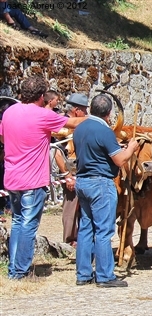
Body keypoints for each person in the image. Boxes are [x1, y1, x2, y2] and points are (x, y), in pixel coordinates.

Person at [0, 76, 85, 280]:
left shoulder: (9, 112)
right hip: (32, 180)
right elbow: (73, 122)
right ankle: (20, 271)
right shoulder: (42, 115)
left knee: (18, 222)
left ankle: (14, 268)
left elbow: (3, 137)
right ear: (41, 96)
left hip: (12, 178)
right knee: (28, 225)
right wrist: (97, 117)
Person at [72, 94, 139, 287]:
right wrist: (131, 148)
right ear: (109, 113)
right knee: (103, 229)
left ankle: (83, 273)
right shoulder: (105, 131)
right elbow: (120, 160)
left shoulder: (79, 128)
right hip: (100, 182)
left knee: (86, 228)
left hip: (83, 180)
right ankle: (104, 275)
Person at [59, 93, 89, 246]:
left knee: (83, 207)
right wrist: (67, 174)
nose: (86, 114)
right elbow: (56, 151)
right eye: (85, 110)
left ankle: (82, 237)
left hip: (82, 171)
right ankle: (70, 239)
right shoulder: (61, 123)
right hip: (70, 171)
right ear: (77, 110)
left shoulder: (79, 124)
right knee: (71, 206)